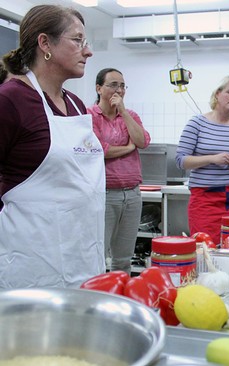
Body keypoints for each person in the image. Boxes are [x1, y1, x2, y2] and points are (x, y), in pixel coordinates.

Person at [0, 5, 105, 288]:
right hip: (32, 269)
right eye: (78, 40)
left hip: (84, 261)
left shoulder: (75, 105)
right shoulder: (11, 101)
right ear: (45, 43)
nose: (88, 51)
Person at [175, 76, 229, 244]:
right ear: (217, 94)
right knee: (205, 247)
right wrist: (212, 159)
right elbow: (181, 160)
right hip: (204, 198)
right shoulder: (197, 123)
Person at [88, 68, 151, 274]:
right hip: (105, 194)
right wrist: (127, 148)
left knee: (123, 257)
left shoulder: (130, 115)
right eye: (113, 84)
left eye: (122, 85)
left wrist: (123, 112)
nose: (119, 89)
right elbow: (99, 150)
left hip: (132, 193)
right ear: (99, 88)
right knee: (98, 253)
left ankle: (120, 297)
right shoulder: (90, 115)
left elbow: (141, 141)